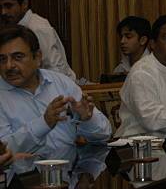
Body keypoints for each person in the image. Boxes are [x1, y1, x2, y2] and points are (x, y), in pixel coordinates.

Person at [0, 26, 111, 154]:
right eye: (2, 59)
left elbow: (105, 134)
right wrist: (44, 123)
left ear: (37, 57)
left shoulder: (60, 83)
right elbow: (3, 151)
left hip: (71, 169)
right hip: (24, 173)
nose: (9, 66)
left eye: (17, 57)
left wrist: (86, 119)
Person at [0, 0, 76, 81]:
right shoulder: (14, 27)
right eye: (1, 7)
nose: (3, 12)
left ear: (24, 4)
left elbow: (57, 70)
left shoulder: (38, 28)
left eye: (8, 6)